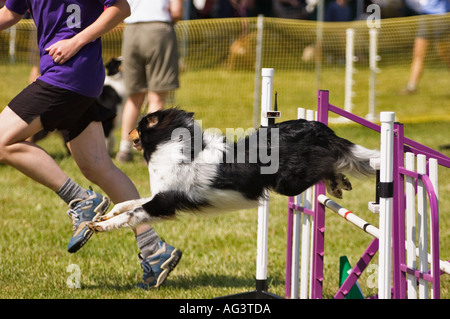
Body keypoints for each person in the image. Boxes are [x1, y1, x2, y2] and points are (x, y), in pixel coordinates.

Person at [0, 0, 181, 289]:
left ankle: (80, 199)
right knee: (97, 166)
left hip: (71, 74)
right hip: (68, 76)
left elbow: (120, 8)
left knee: (1, 141)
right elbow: (11, 12)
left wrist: (77, 41)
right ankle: (154, 248)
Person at [115, 0, 183, 163]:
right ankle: (150, 149)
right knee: (157, 98)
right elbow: (176, 12)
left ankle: (124, 149)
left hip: (131, 31)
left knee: (134, 97)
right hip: (159, 29)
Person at [401, 0, 450, 95]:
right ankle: (412, 86)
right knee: (418, 53)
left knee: (445, 54)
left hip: (442, 17)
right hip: (426, 16)